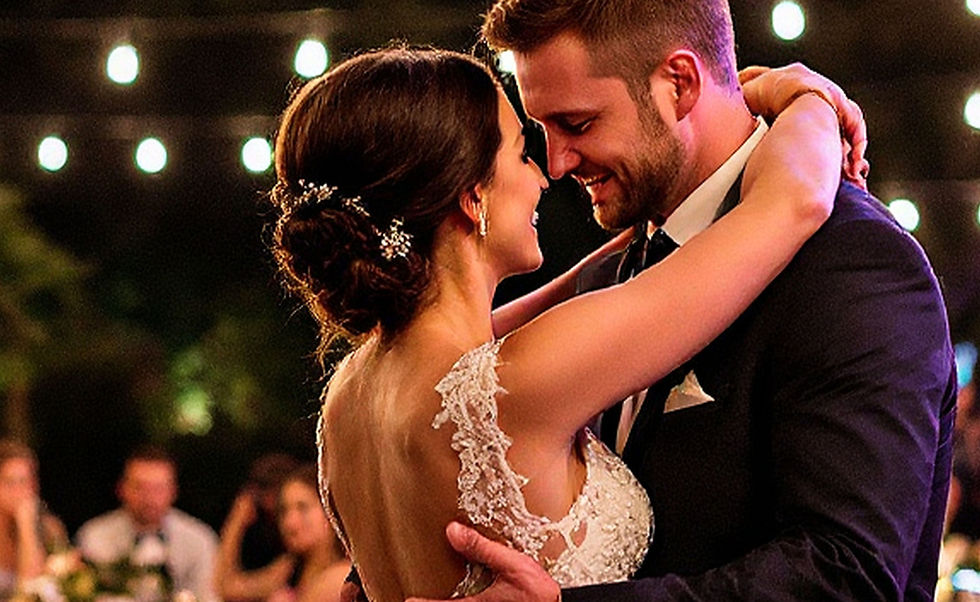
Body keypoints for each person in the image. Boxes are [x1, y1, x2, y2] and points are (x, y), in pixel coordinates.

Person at [270, 41, 863, 600]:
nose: (545, 174)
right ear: (473, 198)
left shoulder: (346, 401)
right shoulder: (518, 380)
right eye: (521, 153)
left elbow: (592, 277)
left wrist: (721, 100)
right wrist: (807, 97)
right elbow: (793, 201)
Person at [405, 1, 957, 601]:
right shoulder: (615, 269)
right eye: (541, 131)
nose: (557, 164)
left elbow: (845, 574)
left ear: (680, 83)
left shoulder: (851, 260)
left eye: (578, 124)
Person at [75, 445, 219, 601]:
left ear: (173, 491)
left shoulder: (198, 539)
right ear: (122, 489)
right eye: (140, 487)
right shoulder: (95, 535)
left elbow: (207, 596)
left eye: (158, 488)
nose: (149, 498)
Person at [216, 464, 349, 602]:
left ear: (330, 510)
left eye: (303, 508)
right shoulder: (287, 571)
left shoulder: (345, 577)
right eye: (284, 511)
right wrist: (237, 521)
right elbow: (227, 588)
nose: (290, 522)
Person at [214, 452, 299, 600]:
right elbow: (222, 585)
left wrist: (236, 522)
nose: (290, 521)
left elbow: (227, 588)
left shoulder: (293, 562)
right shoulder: (258, 531)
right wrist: (238, 520)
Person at [0, 439, 69, 597]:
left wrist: (27, 528)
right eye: (10, 482)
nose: (20, 491)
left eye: (25, 481)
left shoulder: (50, 529)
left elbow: (37, 591)